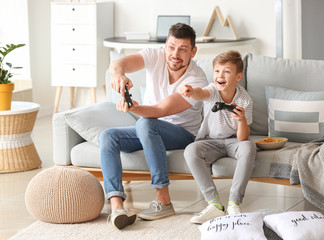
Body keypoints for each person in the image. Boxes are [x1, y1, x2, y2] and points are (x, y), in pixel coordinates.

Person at [99, 23, 208, 230]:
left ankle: (163, 200)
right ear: (165, 46)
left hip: (182, 134)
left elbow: (159, 111)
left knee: (146, 123)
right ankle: (116, 207)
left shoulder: (196, 80)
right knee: (108, 136)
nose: (175, 54)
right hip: (147, 129)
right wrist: (118, 75)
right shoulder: (154, 55)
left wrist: (132, 107)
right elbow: (118, 64)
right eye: (171, 47)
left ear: (193, 51)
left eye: (183, 49)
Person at [179, 50, 256, 224]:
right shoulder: (213, 90)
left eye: (226, 71)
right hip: (210, 141)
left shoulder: (245, 100)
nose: (220, 75)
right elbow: (201, 93)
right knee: (191, 150)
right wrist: (191, 91)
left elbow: (243, 138)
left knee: (249, 147)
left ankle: (234, 203)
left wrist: (242, 120)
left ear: (238, 77)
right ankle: (214, 205)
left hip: (234, 141)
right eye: (217, 71)